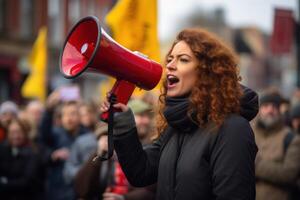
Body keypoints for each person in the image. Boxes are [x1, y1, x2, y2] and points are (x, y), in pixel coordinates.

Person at [100, 28, 258, 199]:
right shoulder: (175, 127)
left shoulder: (233, 130)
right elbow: (141, 172)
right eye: (169, 59)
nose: (169, 65)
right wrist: (123, 123)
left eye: (183, 60)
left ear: (207, 72)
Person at [253, 92, 300, 200]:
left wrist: (255, 165)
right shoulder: (249, 133)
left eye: (274, 107)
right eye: (266, 106)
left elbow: (289, 174)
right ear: (260, 110)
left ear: (279, 111)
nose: (270, 110)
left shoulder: (291, 138)